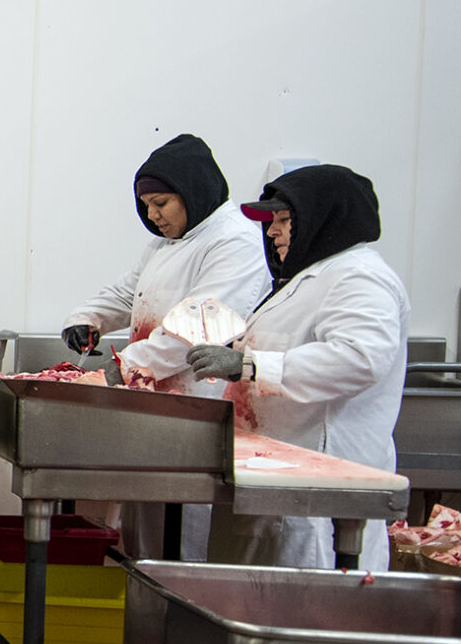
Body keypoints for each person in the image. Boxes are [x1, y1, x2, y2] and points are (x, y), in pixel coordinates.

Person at [57, 133, 269, 557]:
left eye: (161, 204)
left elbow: (198, 327)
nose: (152, 216)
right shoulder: (168, 241)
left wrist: (123, 367)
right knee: (147, 535)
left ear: (193, 191)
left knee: (183, 538)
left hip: (196, 407)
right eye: (147, 206)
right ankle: (149, 614)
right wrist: (86, 319)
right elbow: (126, 293)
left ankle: (176, 617)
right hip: (155, 406)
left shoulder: (235, 241)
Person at [189, 164, 409, 570]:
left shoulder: (359, 277)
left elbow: (360, 358)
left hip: (317, 486)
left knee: (304, 611)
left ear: (325, 218)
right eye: (273, 221)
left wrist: (249, 363)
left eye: (284, 220)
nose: (272, 232)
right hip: (275, 474)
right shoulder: (310, 277)